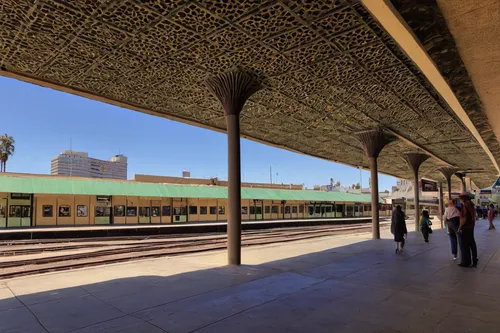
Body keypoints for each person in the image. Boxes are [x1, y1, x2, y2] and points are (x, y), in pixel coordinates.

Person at [458, 193, 478, 267]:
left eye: (460, 199)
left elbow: (464, 218)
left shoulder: (465, 207)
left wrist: (459, 228)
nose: (459, 201)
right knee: (472, 244)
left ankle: (466, 262)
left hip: (466, 227)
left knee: (465, 245)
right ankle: (474, 260)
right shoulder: (472, 206)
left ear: (463, 199)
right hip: (471, 226)